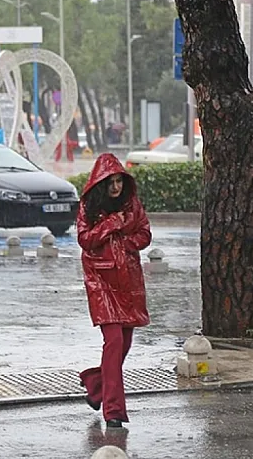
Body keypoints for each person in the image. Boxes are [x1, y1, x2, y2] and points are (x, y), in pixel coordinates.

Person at [77, 153, 152, 428]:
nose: (116, 187)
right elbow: (85, 240)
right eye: (111, 182)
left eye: (120, 181)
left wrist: (128, 243)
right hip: (101, 282)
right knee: (114, 342)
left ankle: (96, 386)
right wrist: (111, 225)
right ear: (101, 183)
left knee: (125, 344)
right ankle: (114, 411)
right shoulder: (88, 207)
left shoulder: (131, 204)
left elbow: (145, 233)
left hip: (128, 281)